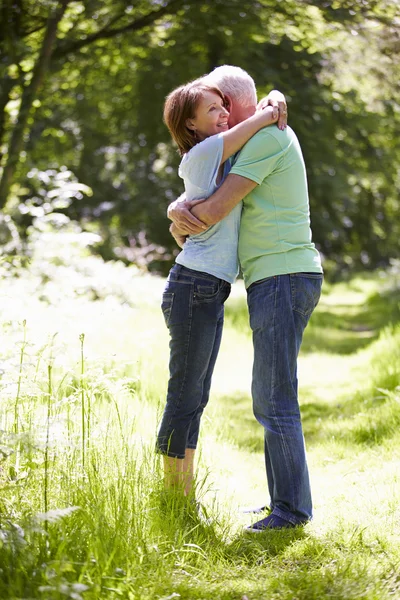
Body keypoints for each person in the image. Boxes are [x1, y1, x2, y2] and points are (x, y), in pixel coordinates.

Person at [168, 65, 323, 531]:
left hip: (283, 275)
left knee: (274, 398)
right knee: (271, 395)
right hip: (272, 277)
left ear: (234, 110)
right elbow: (201, 190)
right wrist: (176, 208)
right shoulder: (255, 139)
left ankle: (292, 512)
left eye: (221, 109)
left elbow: (214, 210)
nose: (219, 119)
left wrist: (185, 214)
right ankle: (283, 502)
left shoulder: (266, 138)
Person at [157, 75, 285, 501]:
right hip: (193, 285)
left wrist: (177, 208)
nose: (223, 114)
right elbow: (254, 123)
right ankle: (175, 496)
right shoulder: (208, 150)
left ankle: (182, 492)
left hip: (206, 288)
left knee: (196, 394)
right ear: (191, 125)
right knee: (185, 394)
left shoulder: (215, 156)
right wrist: (273, 105)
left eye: (223, 106)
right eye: (212, 109)